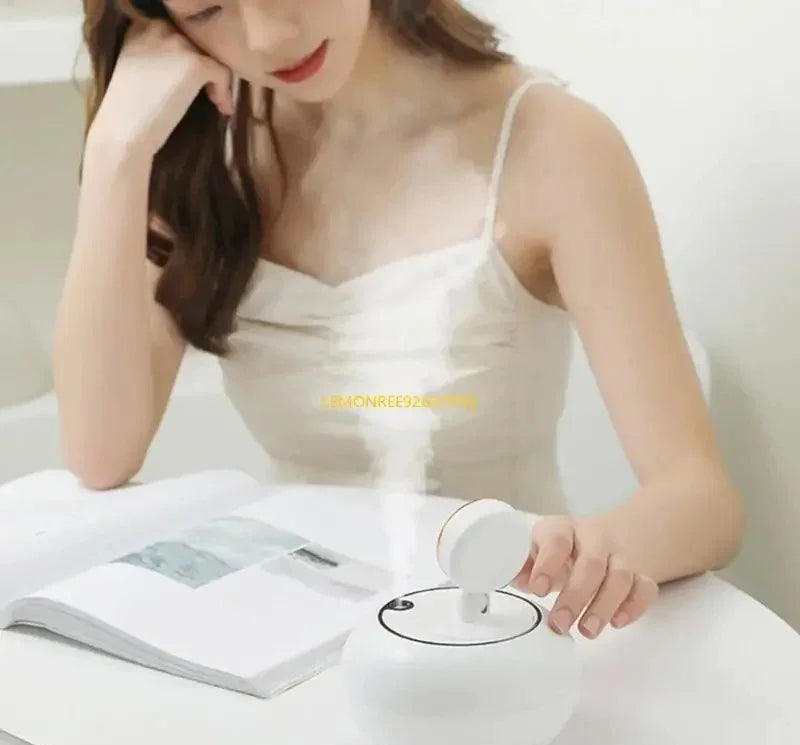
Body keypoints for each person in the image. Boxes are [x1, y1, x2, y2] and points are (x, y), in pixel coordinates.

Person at [53, 0, 745, 639]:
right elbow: (101, 453)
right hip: (290, 627)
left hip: (489, 628)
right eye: (208, 8)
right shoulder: (210, 157)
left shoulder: (552, 144)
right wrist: (115, 152)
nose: (265, 36)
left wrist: (605, 547)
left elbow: (703, 500)